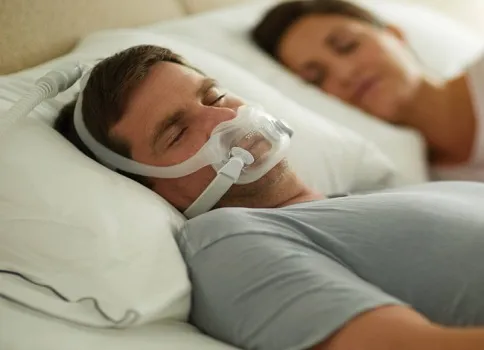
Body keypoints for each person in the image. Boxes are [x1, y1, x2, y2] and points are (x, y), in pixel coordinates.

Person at [54, 44, 484, 350]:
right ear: (147, 184)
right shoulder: (226, 242)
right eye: (177, 131)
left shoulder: (371, 199)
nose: (225, 117)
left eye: (214, 95)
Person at [251, 0, 484, 182]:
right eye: (317, 78)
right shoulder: (415, 183)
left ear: (395, 35)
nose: (344, 73)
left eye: (347, 45)